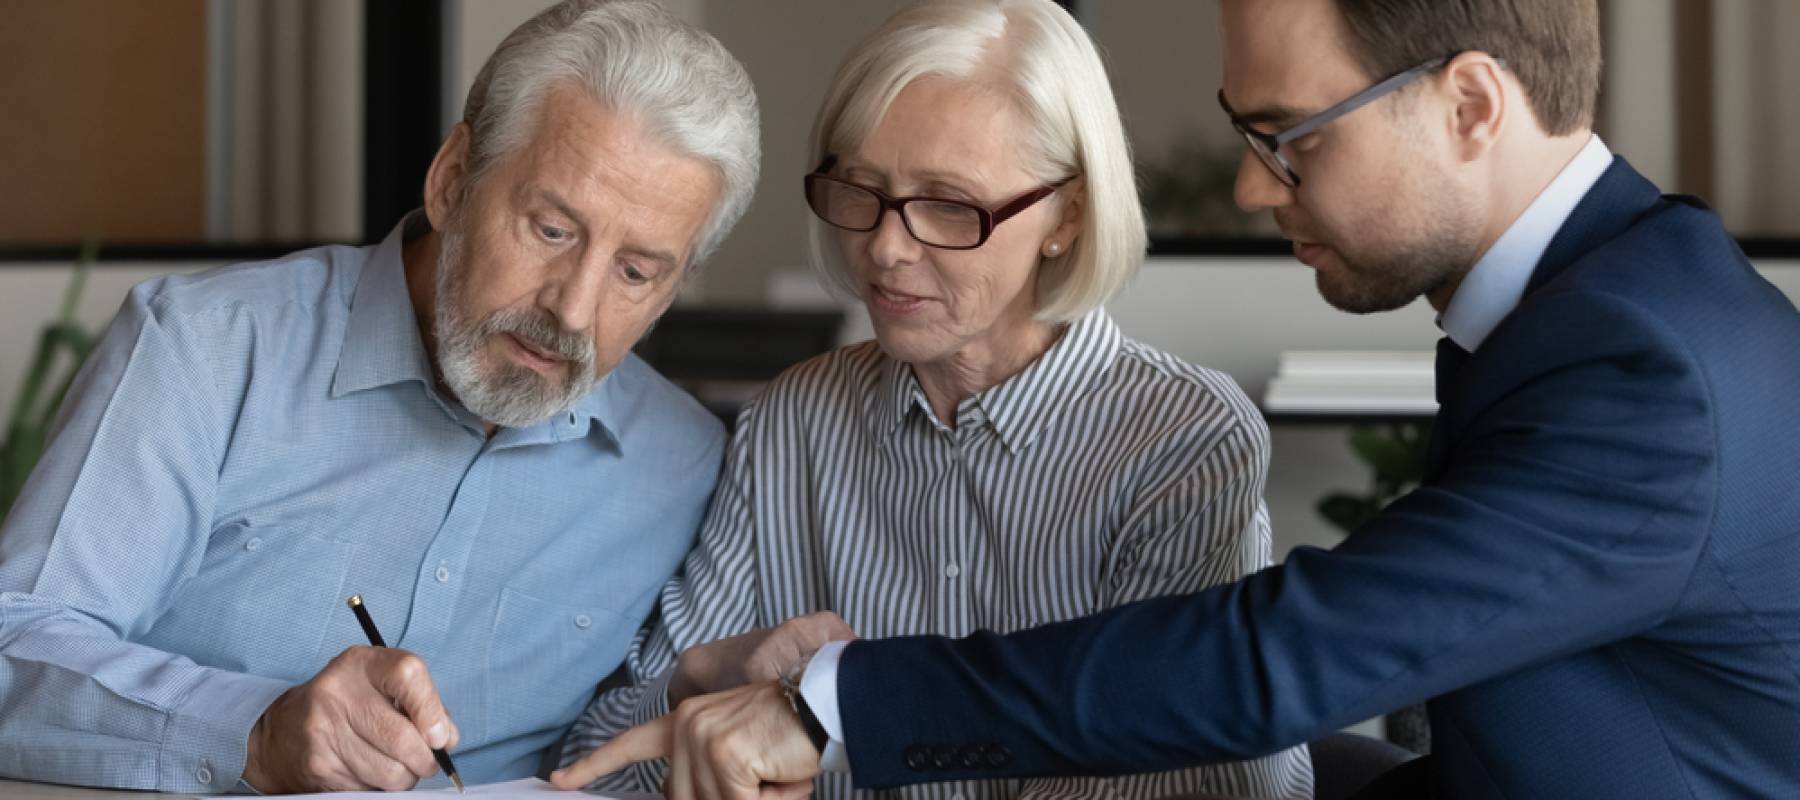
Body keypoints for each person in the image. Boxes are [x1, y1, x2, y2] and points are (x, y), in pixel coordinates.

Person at [551, 0, 1800, 798]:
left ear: (1470, 104)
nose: (1257, 191)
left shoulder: (1647, 374)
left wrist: (839, 704)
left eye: (1290, 137)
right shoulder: (1593, 305)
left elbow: (1281, 659)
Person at [554, 1, 1311, 798]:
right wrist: (694, 685)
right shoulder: (795, 422)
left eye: (949, 205)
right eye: (861, 189)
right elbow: (600, 767)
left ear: (1070, 214)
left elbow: (1187, 777)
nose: (883, 248)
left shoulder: (1180, 441)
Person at [0, 0, 759, 793]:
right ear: (452, 180)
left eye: (635, 272)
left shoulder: (685, 465)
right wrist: (254, 732)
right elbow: (13, 648)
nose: (572, 311)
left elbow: (617, 748)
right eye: (551, 230)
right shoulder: (205, 348)